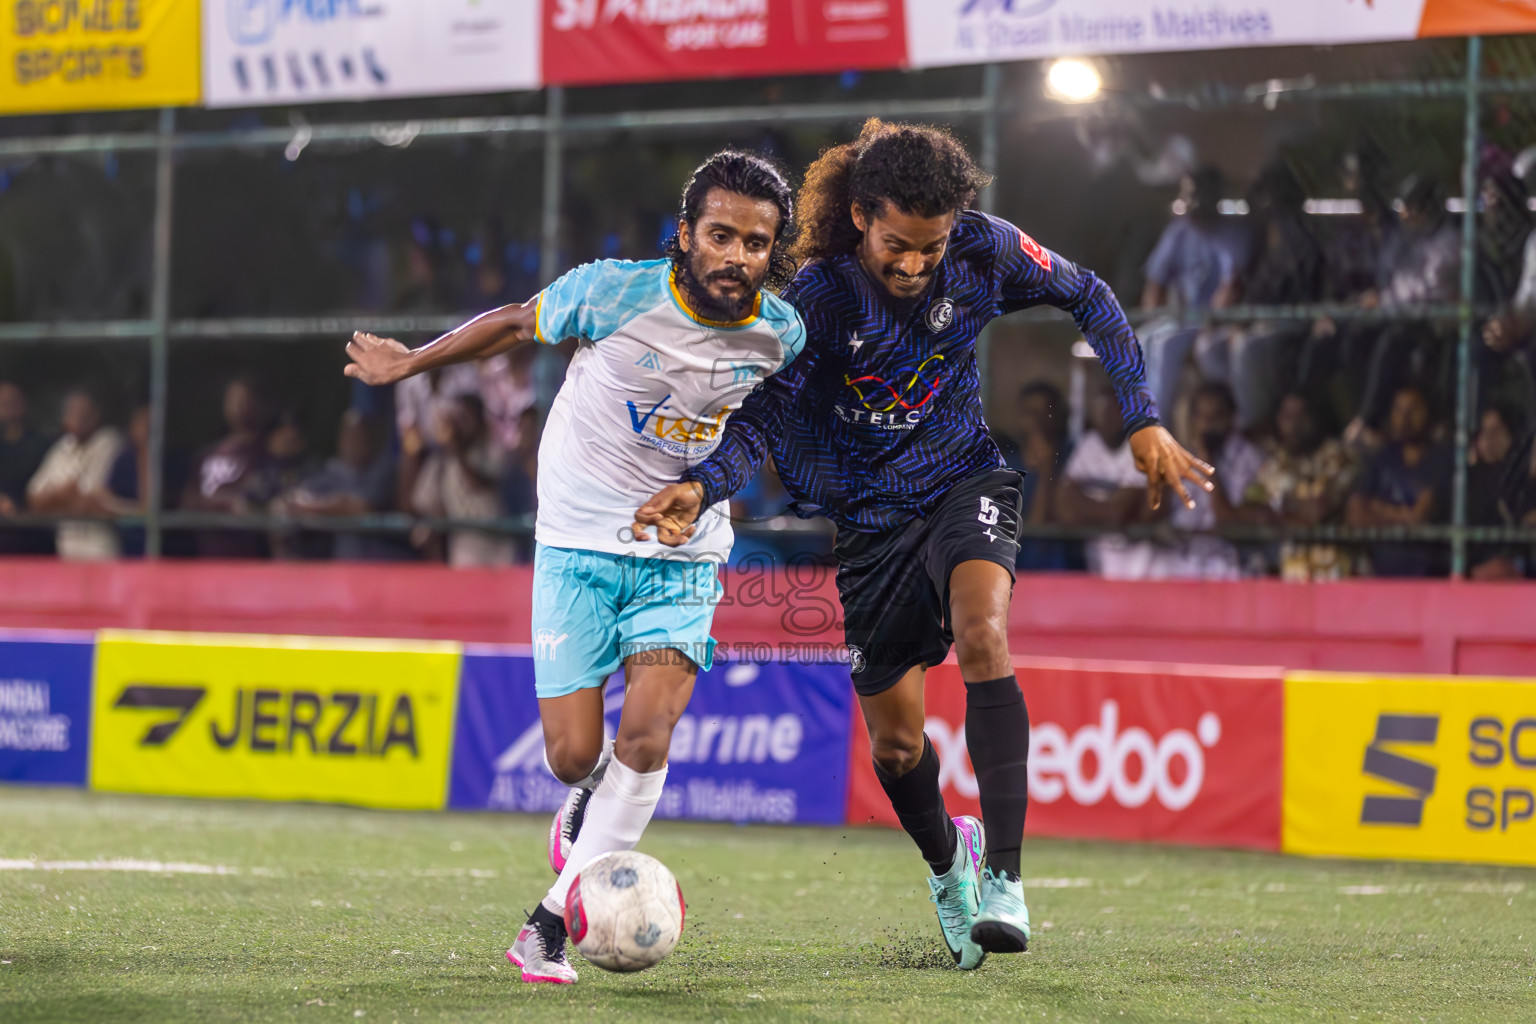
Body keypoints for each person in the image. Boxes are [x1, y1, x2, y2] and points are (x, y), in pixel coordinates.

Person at [636, 120, 1211, 969]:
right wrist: (704, 482)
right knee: (898, 749)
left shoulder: (984, 252)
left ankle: (1007, 883)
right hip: (869, 524)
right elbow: (766, 414)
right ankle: (953, 864)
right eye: (897, 245)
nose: (914, 266)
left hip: (962, 482)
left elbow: (1090, 294)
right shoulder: (821, 299)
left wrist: (1144, 419)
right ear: (863, 217)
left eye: (930, 248)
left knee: (984, 636)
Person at [342, 150, 805, 985]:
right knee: (569, 755)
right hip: (577, 541)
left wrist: (700, 493)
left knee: (649, 733)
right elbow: (518, 323)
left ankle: (546, 926)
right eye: (722, 235)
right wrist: (410, 362)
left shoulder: (785, 332)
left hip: (682, 550)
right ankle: (588, 799)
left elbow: (762, 432)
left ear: (776, 250)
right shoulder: (614, 290)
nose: (737, 256)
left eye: (757, 243)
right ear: (686, 236)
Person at [1137, 166, 1250, 422]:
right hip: (1184, 319)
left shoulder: (1234, 232)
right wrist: (1154, 316)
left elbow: (1233, 286)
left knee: (1166, 346)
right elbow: (1155, 283)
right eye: (1188, 194)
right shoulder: (1180, 230)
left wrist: (1212, 319)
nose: (1192, 202)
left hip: (1219, 319)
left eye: (1199, 194)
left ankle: (1158, 425)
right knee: (1144, 337)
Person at [1243, 391, 1358, 581]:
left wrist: (1276, 511)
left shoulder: (1339, 456)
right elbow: (1248, 513)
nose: (1295, 425)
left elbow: (1315, 514)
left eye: (1302, 416)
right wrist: (1290, 510)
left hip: (1336, 572)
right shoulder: (1272, 466)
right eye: (1288, 416)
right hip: (1291, 575)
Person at [1054, 381, 1164, 579]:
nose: (1106, 416)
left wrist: (1084, 504)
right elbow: (1065, 510)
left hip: (1145, 571)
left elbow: (1119, 512)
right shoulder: (1089, 444)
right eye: (1102, 409)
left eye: (1114, 409)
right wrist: (1110, 505)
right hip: (1099, 564)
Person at [1159, 383, 1266, 579]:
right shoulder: (1186, 458)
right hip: (1187, 569)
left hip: (1233, 569)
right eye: (1201, 416)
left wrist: (1208, 464)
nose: (1207, 424)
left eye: (1215, 417)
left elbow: (1229, 520)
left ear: (1230, 418)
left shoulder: (1251, 459)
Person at [1345, 385, 1451, 577]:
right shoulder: (1381, 457)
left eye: (1413, 409)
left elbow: (1418, 517)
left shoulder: (1442, 458)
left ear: (1428, 412)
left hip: (1429, 572)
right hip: (1382, 572)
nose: (1405, 418)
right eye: (1399, 410)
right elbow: (1356, 514)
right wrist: (1402, 514)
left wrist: (1377, 507)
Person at [181, 377, 279, 559]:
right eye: (232, 399)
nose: (238, 406)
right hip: (207, 557)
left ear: (257, 404)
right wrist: (223, 504)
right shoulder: (206, 455)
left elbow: (261, 503)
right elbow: (188, 501)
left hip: (249, 559)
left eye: (243, 399)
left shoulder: (265, 454)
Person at [25, 389, 125, 561]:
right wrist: (63, 495)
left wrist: (54, 498)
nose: (73, 418)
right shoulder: (63, 446)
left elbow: (88, 501)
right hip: (67, 548)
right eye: (70, 412)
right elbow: (33, 499)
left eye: (81, 413)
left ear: (95, 416)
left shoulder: (110, 441)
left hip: (101, 549)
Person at [1006, 381, 1078, 570]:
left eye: (1043, 413)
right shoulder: (1005, 467)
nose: (1036, 421)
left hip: (1066, 572)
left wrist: (1048, 469)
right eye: (1029, 412)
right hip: (1019, 570)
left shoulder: (1075, 459)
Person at [0, 381, 54, 554]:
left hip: (34, 529)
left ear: (23, 404)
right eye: (4, 402)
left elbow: (49, 485)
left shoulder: (42, 444)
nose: (9, 406)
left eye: (13, 401)